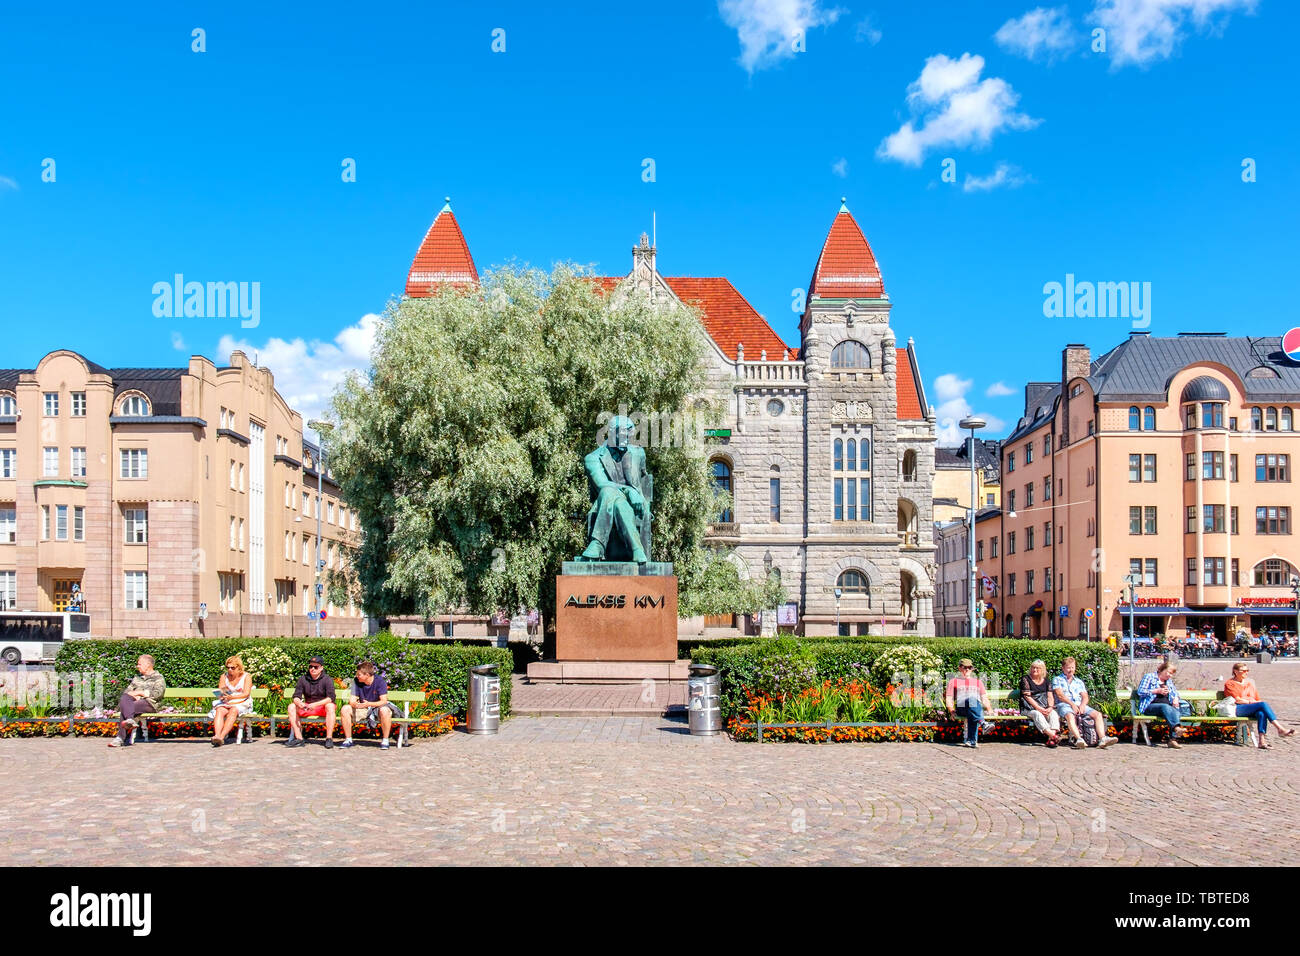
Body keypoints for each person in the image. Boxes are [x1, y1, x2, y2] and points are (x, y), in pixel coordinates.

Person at [1223, 662, 1295, 749]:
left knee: (1261, 713)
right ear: (1235, 671)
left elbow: (1257, 699)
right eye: (1243, 671)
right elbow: (1237, 700)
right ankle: (1280, 728)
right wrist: (1250, 702)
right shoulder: (1230, 683)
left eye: (1247, 670)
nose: (1246, 672)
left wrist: (1252, 702)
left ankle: (1262, 741)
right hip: (1237, 708)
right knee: (1263, 704)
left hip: (1250, 708)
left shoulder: (1249, 684)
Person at [1051, 657, 1115, 749]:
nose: (1070, 670)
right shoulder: (1057, 679)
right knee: (1070, 715)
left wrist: (1082, 705)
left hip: (1079, 704)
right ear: (1063, 668)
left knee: (1097, 714)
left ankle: (1102, 739)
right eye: (1068, 668)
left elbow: (1085, 696)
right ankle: (1079, 739)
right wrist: (1072, 704)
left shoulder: (1078, 681)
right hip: (1064, 704)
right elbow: (1060, 695)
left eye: (1072, 667)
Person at [108, 655, 166, 748]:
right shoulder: (137, 678)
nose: (137, 666)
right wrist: (135, 695)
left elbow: (158, 694)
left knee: (127, 708)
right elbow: (128, 692)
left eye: (139, 664)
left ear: (147, 665)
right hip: (134, 703)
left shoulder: (158, 678)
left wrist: (141, 693)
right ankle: (129, 720)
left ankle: (120, 738)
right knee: (125, 698)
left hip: (150, 704)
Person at [340, 661, 402, 749]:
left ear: (367, 675)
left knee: (384, 710)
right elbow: (352, 700)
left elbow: (384, 701)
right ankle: (348, 739)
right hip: (363, 708)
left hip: (378, 707)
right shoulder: (356, 681)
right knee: (345, 709)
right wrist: (355, 704)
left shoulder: (380, 681)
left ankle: (385, 740)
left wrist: (369, 704)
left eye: (359, 674)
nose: (357, 676)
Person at [286, 656, 337, 748]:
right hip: (307, 707)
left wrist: (315, 704)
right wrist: (299, 703)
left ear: (321, 668)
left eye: (316, 667)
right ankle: (299, 739)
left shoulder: (327, 679)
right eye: (311, 667)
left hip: (322, 707)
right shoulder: (303, 679)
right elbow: (296, 696)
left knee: (330, 706)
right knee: (291, 706)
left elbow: (331, 698)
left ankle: (329, 738)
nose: (312, 669)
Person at [945, 659, 994, 749]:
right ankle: (983, 723)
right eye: (965, 667)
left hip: (974, 708)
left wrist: (989, 708)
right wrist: (951, 710)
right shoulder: (953, 681)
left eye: (969, 667)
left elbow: (984, 697)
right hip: (961, 707)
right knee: (972, 701)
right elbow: (949, 698)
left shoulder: (978, 682)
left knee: (973, 709)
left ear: (972, 669)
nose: (967, 670)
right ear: (960, 668)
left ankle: (971, 741)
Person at [1135, 661, 1185, 749]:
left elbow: (1175, 693)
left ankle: (1172, 740)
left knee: (1175, 709)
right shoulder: (1149, 677)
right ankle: (1176, 730)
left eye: (1171, 674)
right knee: (1165, 707)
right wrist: (1156, 691)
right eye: (1168, 672)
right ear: (1162, 670)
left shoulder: (1168, 681)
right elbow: (1140, 692)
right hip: (1150, 706)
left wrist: (1176, 698)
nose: (1170, 675)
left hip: (1166, 708)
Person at [209, 655, 253, 747]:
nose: (230, 670)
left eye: (233, 668)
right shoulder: (224, 677)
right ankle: (217, 735)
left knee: (233, 710)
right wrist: (223, 696)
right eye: (228, 667)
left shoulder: (246, 676)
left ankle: (221, 737)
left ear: (239, 668)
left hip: (241, 701)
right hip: (227, 701)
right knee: (220, 710)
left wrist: (232, 698)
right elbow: (222, 690)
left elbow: (246, 693)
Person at [1020, 659, 1061, 747]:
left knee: (1053, 713)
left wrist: (1050, 707)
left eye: (1037, 668)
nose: (1034, 670)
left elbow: (1050, 696)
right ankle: (1053, 736)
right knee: (1037, 714)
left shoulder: (1046, 681)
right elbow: (1027, 697)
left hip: (1044, 707)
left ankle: (1051, 739)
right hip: (1028, 708)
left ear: (1042, 670)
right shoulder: (1025, 679)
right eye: (1033, 668)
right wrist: (1039, 708)